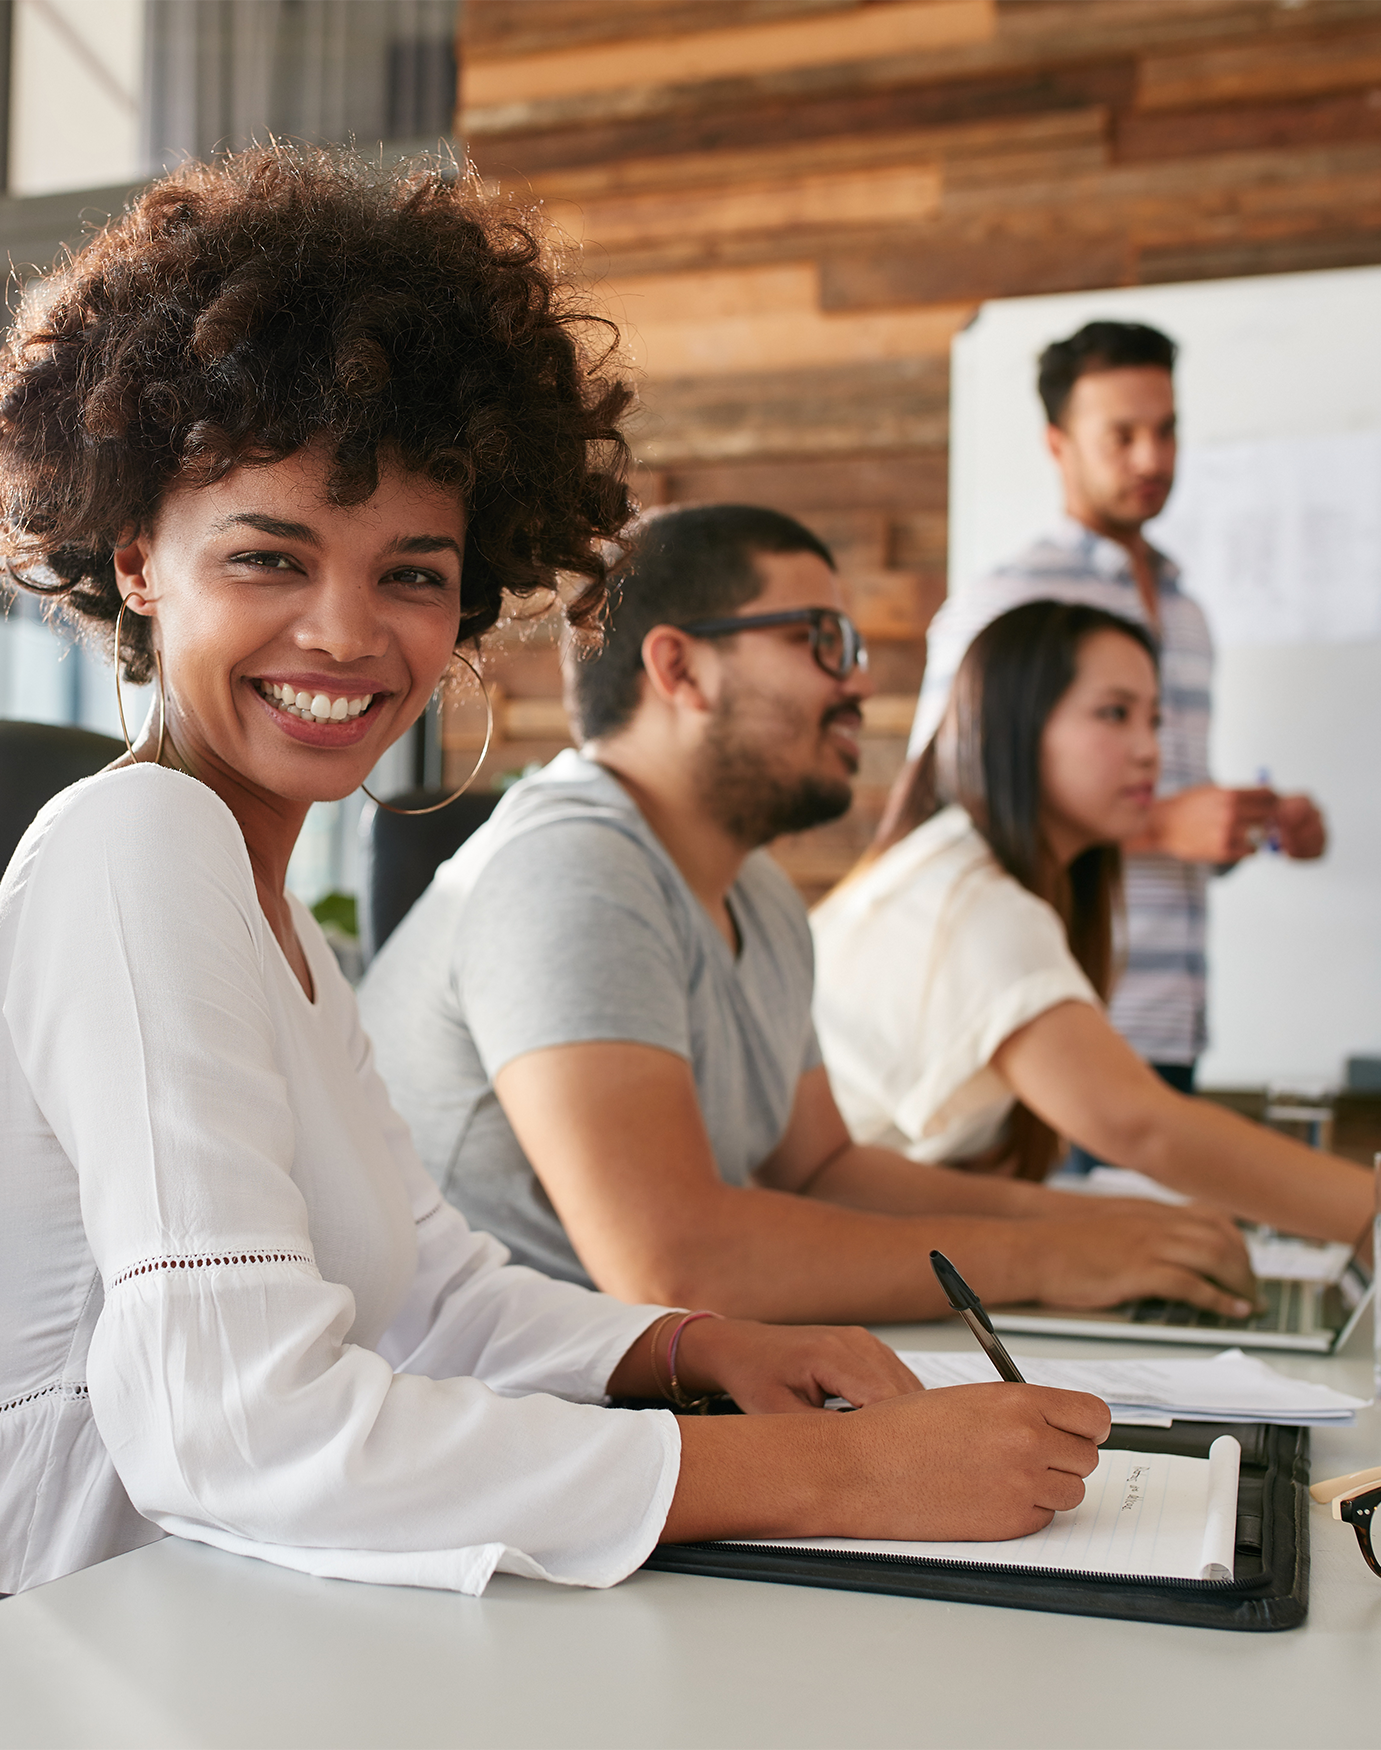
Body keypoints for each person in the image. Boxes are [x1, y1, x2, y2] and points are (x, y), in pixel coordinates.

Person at [0, 148, 1115, 1599]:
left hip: (200, 1611)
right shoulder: (135, 846)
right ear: (141, 555)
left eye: (411, 573)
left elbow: (428, 1283)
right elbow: (236, 1423)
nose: (347, 633)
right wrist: (842, 1473)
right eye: (271, 558)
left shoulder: (268, 911)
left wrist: (687, 1345)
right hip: (26, 1637)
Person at [361, 504, 1258, 1326]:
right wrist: (1048, 1254)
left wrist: (1099, 1226)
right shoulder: (569, 868)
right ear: (681, 669)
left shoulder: (757, 896)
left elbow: (822, 1173)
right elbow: (674, 1266)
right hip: (501, 1429)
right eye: (821, 640)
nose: (859, 681)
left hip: (630, 1398)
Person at [813, 599, 1371, 1243]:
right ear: (1016, 726)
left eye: (1154, 721)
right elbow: (1142, 1126)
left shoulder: (976, 869)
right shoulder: (974, 903)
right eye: (1114, 714)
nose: (1148, 752)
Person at [909, 320, 1326, 1101]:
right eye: (1122, 435)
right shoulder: (1007, 603)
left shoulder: (1190, 613)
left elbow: (1141, 800)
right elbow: (942, 806)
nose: (1154, 459)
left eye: (1168, 432)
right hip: (1048, 1014)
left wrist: (1247, 826)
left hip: (1174, 1024)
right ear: (1058, 444)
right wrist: (1164, 824)